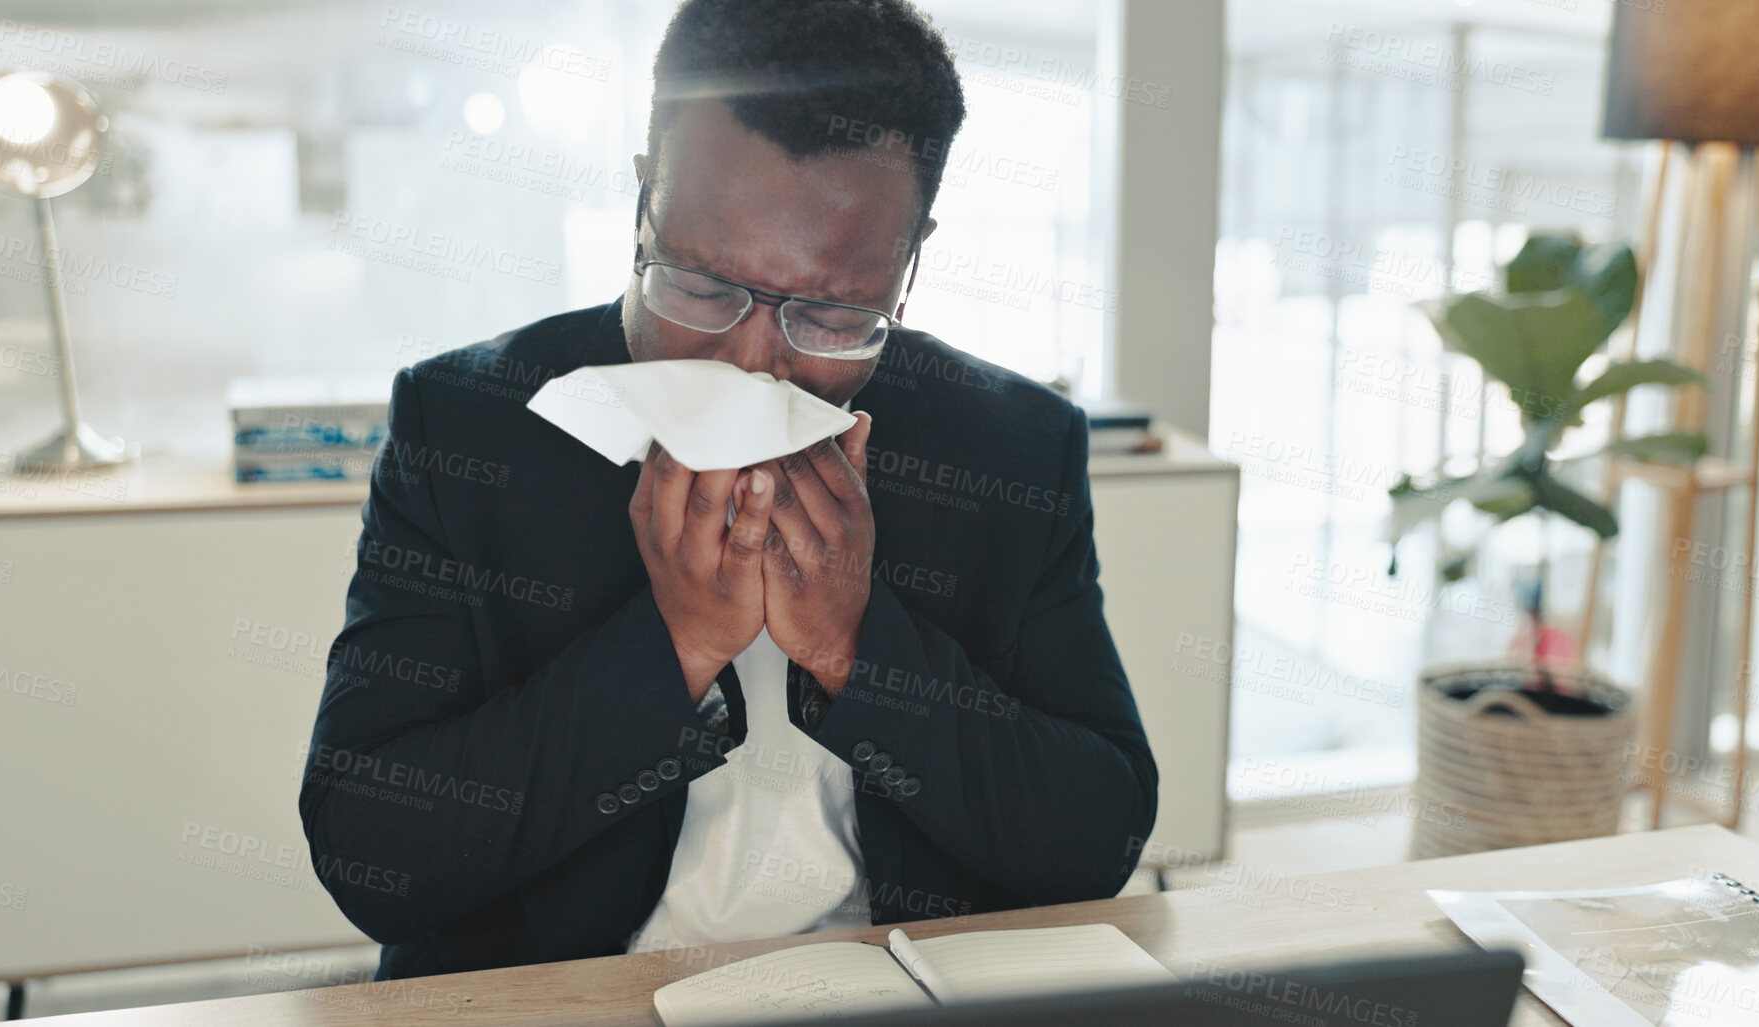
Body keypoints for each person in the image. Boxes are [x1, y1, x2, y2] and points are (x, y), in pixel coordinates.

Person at [299, 0, 1157, 982]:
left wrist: (854, 645)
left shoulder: (1008, 446)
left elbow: (1098, 835)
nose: (755, 366)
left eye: (832, 313)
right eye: (704, 288)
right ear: (641, 206)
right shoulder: (467, 424)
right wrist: (673, 646)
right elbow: (372, 856)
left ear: (909, 265)